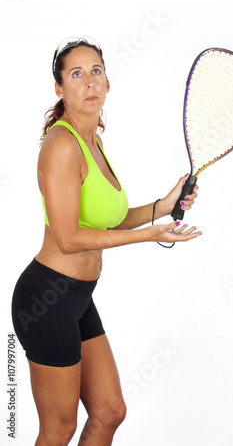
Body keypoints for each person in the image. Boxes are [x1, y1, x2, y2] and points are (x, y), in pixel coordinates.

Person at [11, 37, 201, 446]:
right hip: (47, 298)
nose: (89, 82)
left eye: (96, 71)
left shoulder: (93, 141)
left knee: (109, 411)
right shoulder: (62, 146)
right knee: (59, 428)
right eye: (76, 74)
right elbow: (68, 237)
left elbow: (111, 219)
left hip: (78, 296)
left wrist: (162, 206)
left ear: (108, 82)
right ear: (59, 89)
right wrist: (147, 236)